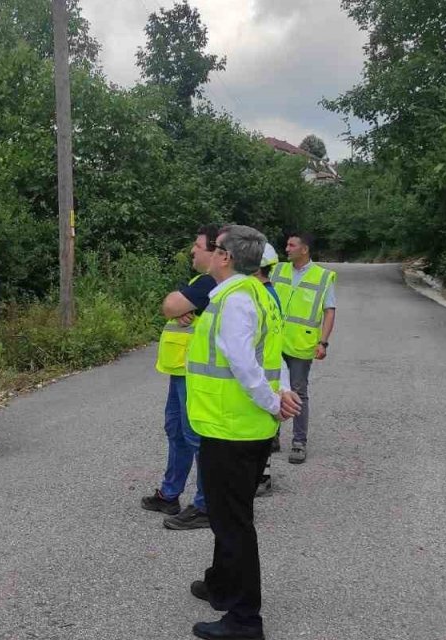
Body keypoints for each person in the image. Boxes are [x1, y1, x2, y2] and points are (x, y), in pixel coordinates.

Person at [184, 225, 300, 640]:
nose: (210, 253)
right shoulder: (256, 294)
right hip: (245, 427)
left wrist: (274, 401)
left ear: (226, 257)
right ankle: (221, 584)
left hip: (231, 427)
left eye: (214, 248)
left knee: (233, 524)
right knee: (227, 515)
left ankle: (244, 620)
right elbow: (274, 356)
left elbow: (243, 363)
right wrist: (282, 393)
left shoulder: (234, 300)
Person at [143, 225, 219, 530]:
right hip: (180, 370)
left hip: (196, 372)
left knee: (195, 437)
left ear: (215, 252)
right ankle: (170, 493)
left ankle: (205, 504)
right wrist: (178, 307)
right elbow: (173, 306)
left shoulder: (208, 282)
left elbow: (170, 304)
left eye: (197, 246)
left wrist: (178, 306)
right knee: (176, 431)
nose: (192, 250)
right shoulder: (198, 282)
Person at [270, 231, 337, 464]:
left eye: (291, 245)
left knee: (298, 392)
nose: (286, 248)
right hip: (275, 342)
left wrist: (323, 342)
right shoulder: (278, 270)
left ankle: (299, 442)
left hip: (301, 344)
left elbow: (329, 311)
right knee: (273, 388)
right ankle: (272, 436)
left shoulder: (322, 277)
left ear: (304, 249)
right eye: (286, 244)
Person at [253, 243, 282, 497]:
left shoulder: (260, 295)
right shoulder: (270, 293)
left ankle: (262, 475)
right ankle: (261, 474)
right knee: (263, 425)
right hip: (269, 369)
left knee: (260, 426)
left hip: (262, 369)